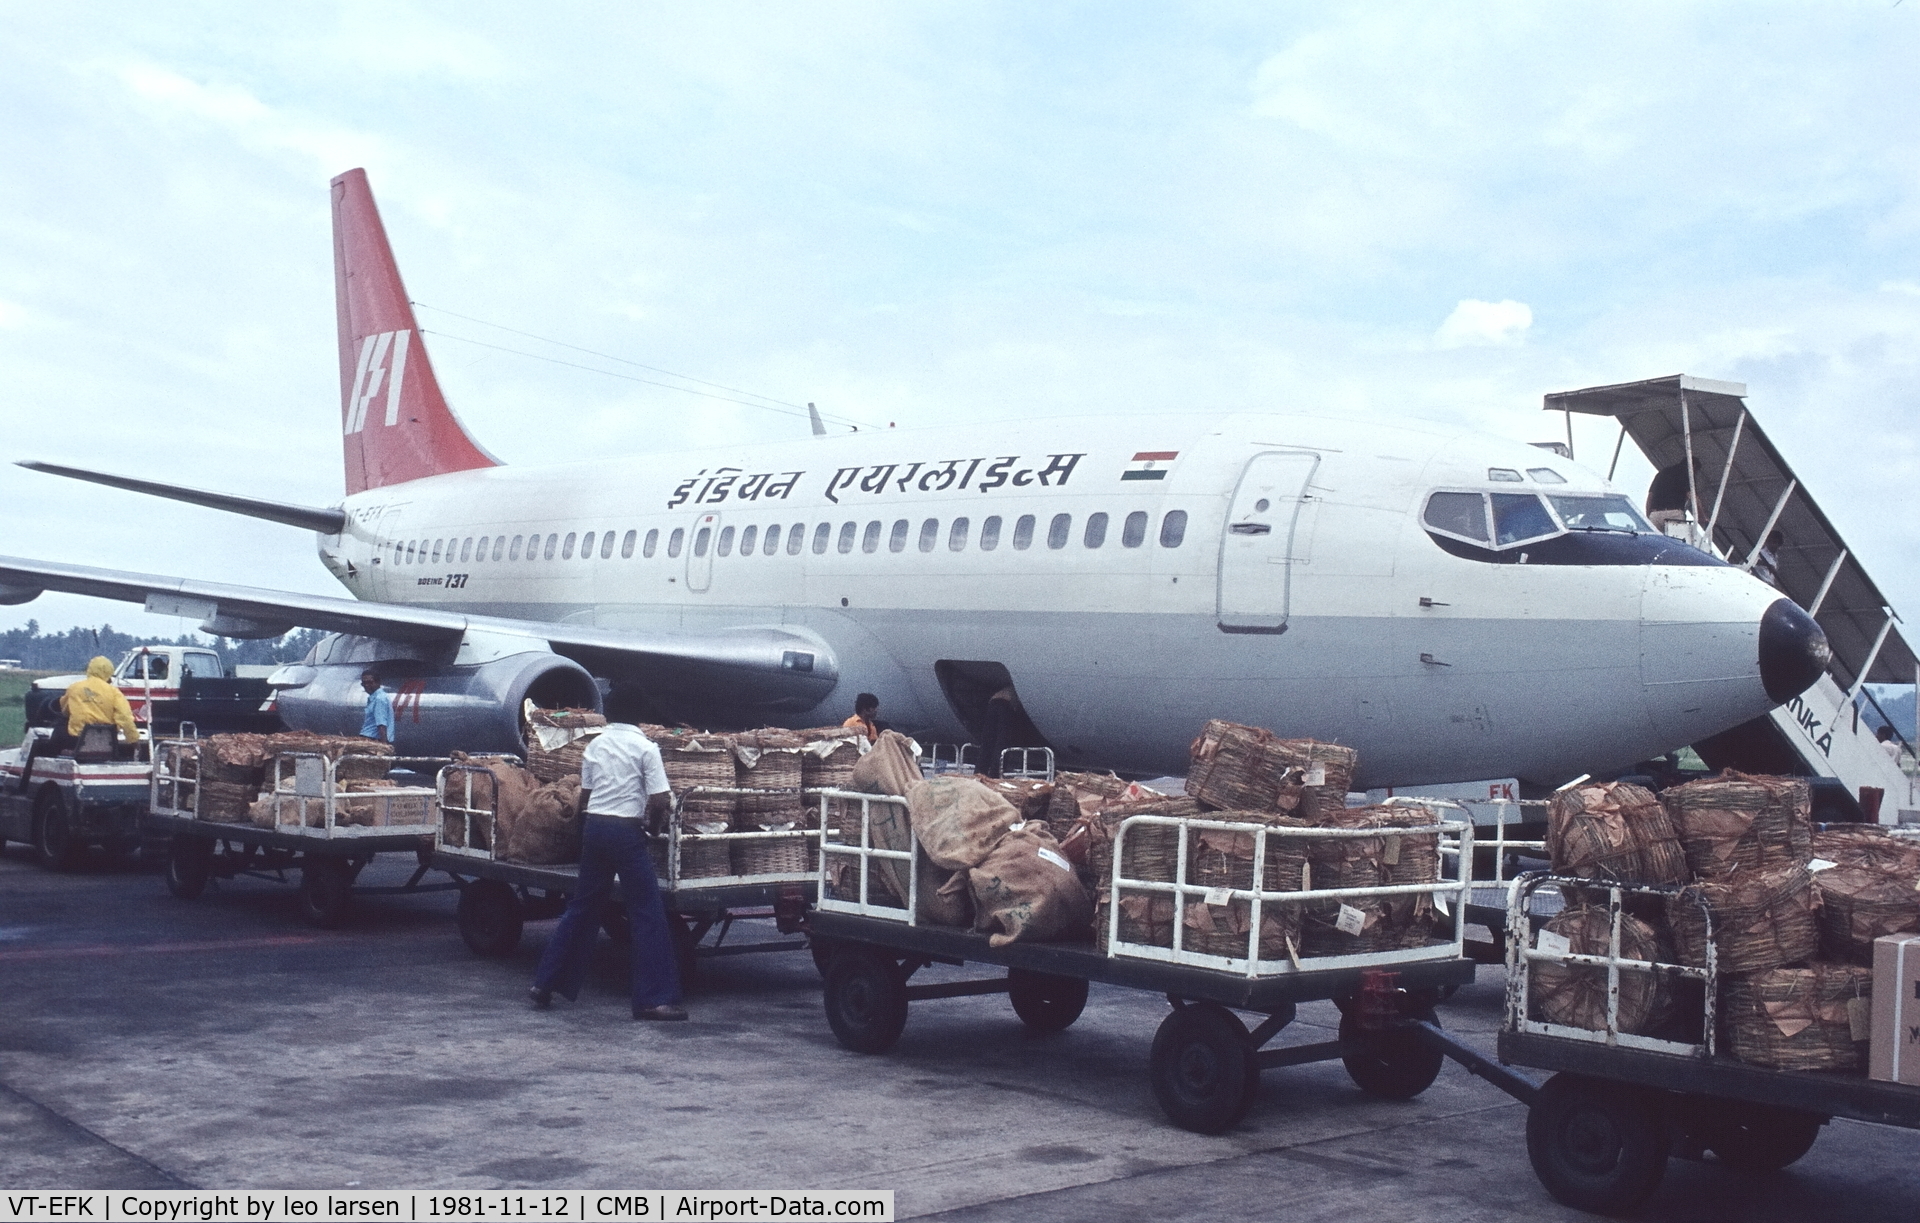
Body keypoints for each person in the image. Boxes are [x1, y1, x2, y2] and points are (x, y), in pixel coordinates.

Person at [529, 718, 686, 1021]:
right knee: (647, 913)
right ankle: (653, 999)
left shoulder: (595, 745)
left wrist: (584, 835)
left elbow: (585, 797)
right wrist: (652, 828)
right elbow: (659, 799)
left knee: (582, 907)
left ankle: (544, 981)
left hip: (595, 828)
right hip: (626, 833)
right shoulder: (646, 748)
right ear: (642, 718)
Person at [21, 656, 142, 791]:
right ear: (109, 672)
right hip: (107, 743)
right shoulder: (115, 693)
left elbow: (65, 710)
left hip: (75, 741)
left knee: (57, 732)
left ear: (90, 670)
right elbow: (125, 718)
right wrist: (133, 740)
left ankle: (36, 775)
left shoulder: (75, 688)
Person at [979, 685, 1021, 778]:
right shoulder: (1017, 690)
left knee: (987, 742)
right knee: (1001, 742)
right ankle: (996, 773)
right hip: (1005, 705)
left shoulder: (1003, 690)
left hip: (993, 703)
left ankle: (980, 771)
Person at [359, 670, 394, 743]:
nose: (366, 685)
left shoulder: (379, 699)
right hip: (369, 738)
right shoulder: (375, 697)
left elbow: (381, 724)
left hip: (372, 739)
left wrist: (383, 745)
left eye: (370, 682)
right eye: (364, 683)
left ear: (378, 682)